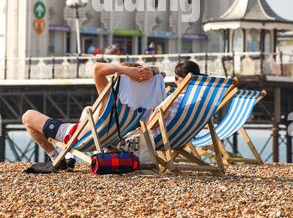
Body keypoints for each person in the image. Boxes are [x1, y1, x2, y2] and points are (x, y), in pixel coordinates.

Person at [22, 62, 165, 172]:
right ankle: (69, 157)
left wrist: (126, 70)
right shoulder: (144, 103)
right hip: (107, 137)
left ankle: (55, 157)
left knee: (27, 116)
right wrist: (152, 72)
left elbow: (97, 68)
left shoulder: (112, 97)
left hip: (74, 137)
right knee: (87, 109)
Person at [151, 59, 201, 135]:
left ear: (187, 79)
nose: (175, 81)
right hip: (184, 139)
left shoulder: (175, 99)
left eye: (176, 78)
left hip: (162, 140)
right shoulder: (201, 99)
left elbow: (151, 123)